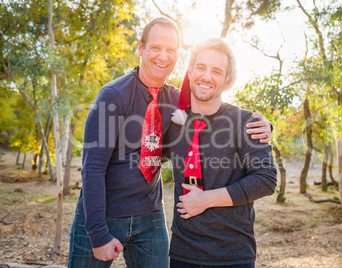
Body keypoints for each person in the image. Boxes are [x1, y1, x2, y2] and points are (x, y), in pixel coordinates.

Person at [68, 18, 273, 268]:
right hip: (104, 213)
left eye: (171, 50)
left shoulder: (178, 99)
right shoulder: (113, 95)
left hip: (150, 216)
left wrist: (263, 126)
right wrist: (98, 232)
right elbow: (92, 168)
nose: (163, 57)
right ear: (141, 48)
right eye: (156, 48)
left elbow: (215, 111)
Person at [165, 38, 277, 267]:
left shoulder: (246, 122)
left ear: (227, 80)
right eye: (201, 67)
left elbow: (266, 179)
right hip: (182, 253)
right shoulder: (173, 122)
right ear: (190, 71)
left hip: (233, 255)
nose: (206, 76)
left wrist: (205, 200)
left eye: (217, 71)